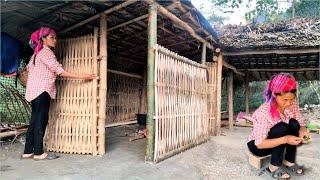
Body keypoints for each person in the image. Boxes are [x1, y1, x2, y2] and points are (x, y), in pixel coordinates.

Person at [21, 27, 97, 160]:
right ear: (43, 39)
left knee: (34, 120)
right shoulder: (46, 53)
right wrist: (84, 76)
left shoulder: (36, 54)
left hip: (33, 91)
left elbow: (29, 70)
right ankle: (38, 152)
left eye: (55, 38)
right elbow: (60, 71)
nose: (55, 40)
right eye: (52, 37)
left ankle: (28, 151)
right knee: (41, 120)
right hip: (42, 91)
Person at [247, 73, 310, 179]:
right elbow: (259, 144)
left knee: (294, 123)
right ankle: (273, 167)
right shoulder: (264, 112)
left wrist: (303, 130)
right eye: (285, 100)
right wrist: (286, 139)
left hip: (277, 140)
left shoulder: (292, 104)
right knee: (282, 127)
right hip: (259, 146)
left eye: (292, 99)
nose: (289, 103)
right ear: (275, 95)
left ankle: (289, 161)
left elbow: (300, 121)